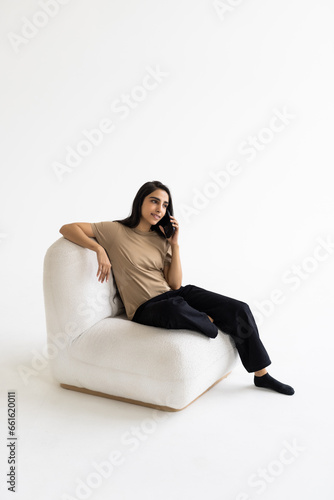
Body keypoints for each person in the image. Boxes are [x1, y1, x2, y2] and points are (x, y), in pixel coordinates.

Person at [59, 180, 294, 396]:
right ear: (140, 202)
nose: (159, 208)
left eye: (165, 204)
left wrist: (175, 244)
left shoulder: (160, 239)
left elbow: (175, 284)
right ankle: (209, 323)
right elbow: (67, 228)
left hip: (173, 295)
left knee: (238, 308)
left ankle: (261, 375)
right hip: (145, 307)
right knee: (175, 307)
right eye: (154, 201)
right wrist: (99, 249)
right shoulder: (114, 230)